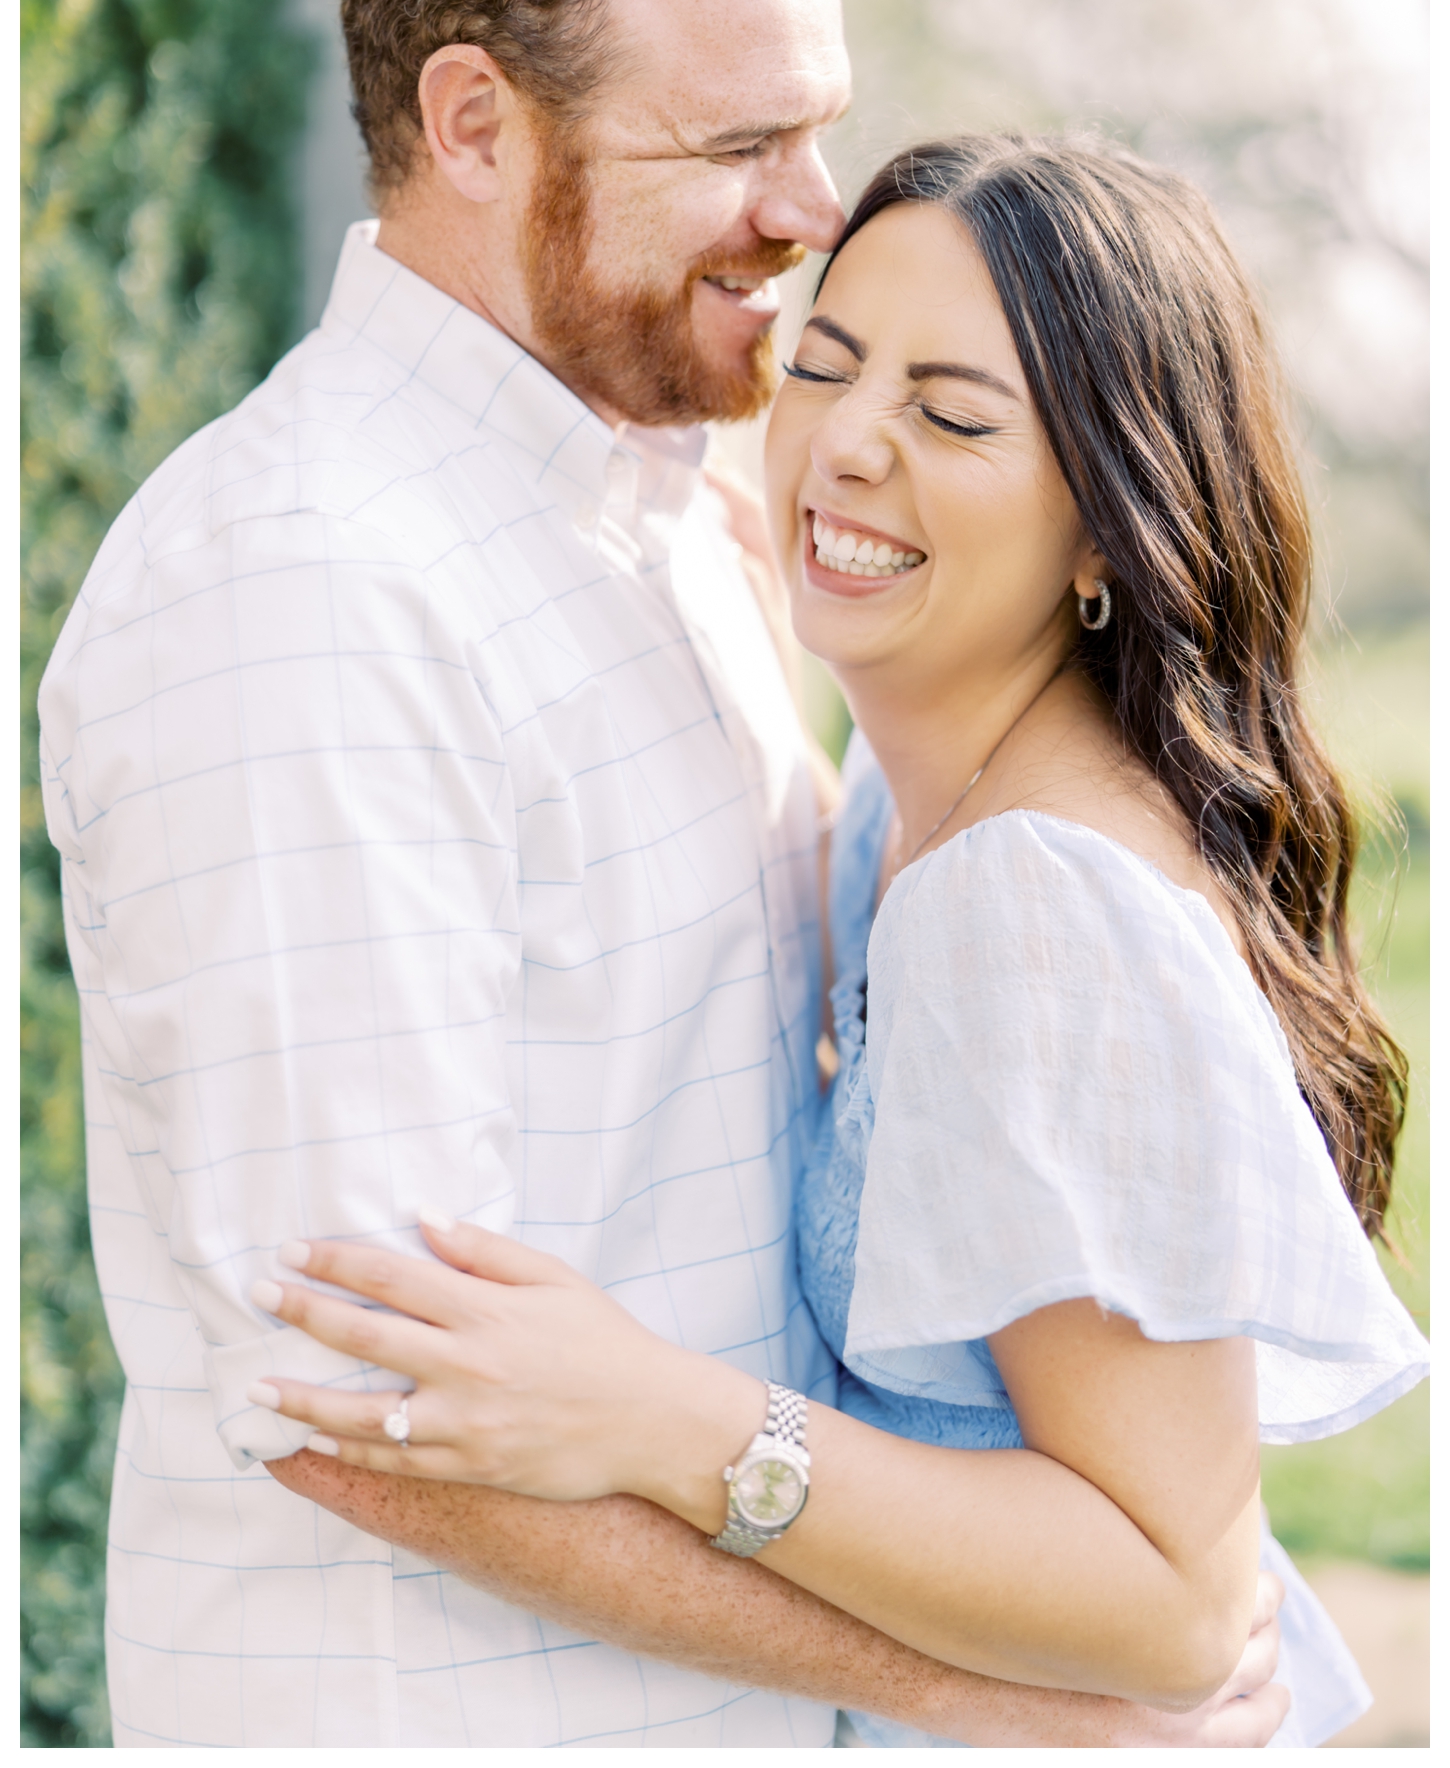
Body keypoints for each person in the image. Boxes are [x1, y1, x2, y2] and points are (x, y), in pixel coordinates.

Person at [36, 0, 1291, 1749]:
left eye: (812, 122)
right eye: (731, 143)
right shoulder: (308, 595)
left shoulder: (675, 532)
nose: (810, 204)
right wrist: (998, 1692)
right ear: (470, 124)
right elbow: (365, 1411)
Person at [247, 136, 1429, 1749]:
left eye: (950, 416)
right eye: (823, 365)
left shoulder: (1033, 900)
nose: (851, 447)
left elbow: (1178, 1600)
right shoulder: (921, 773)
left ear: (1107, 526)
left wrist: (663, 1416)